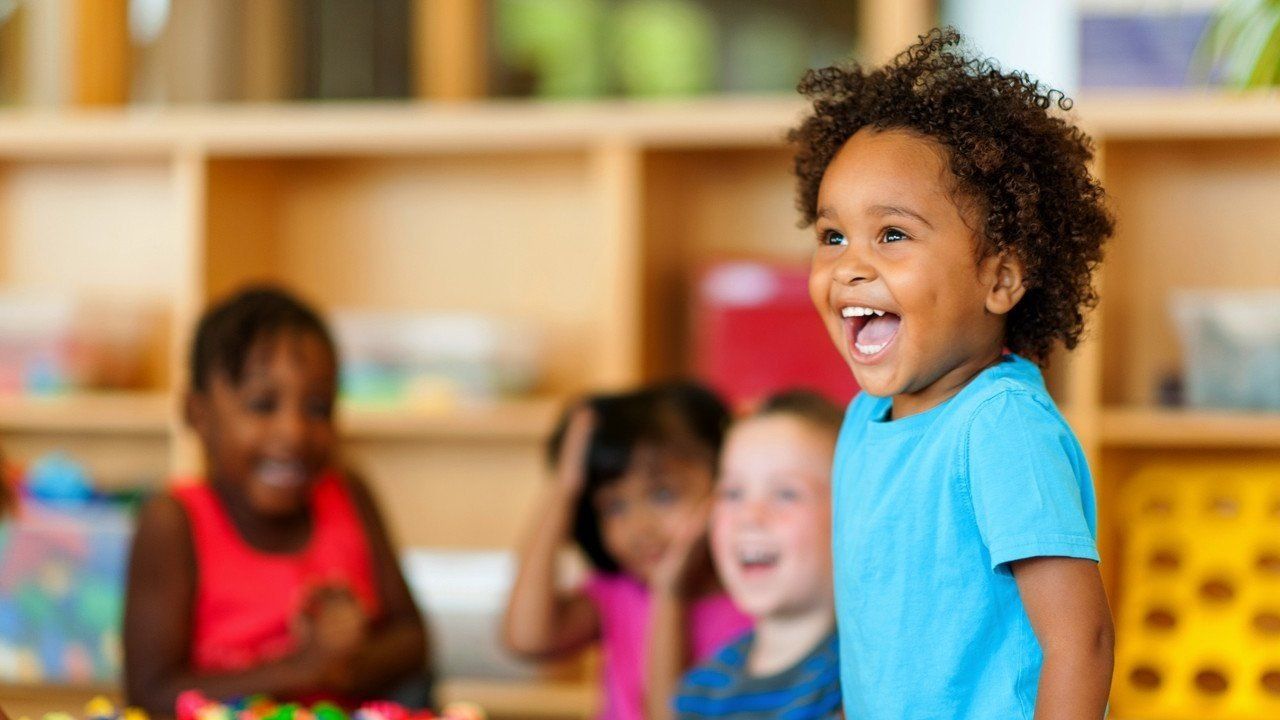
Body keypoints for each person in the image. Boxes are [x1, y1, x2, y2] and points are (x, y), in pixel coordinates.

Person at [795, 27, 1116, 719]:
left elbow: (1080, 641)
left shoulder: (1000, 426)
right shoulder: (864, 420)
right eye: (832, 236)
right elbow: (885, 638)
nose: (850, 264)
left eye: (893, 235)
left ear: (1000, 278)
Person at [124, 286, 429, 715]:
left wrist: (347, 661)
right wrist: (302, 669)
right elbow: (152, 690)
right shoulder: (172, 522)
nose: (294, 433)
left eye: (318, 407)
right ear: (198, 415)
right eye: (263, 404)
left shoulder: (349, 496)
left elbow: (413, 639)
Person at [503, 382, 750, 720]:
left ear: (728, 479)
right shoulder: (615, 594)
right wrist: (564, 488)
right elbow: (526, 638)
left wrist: (670, 593)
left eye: (663, 495)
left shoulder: (758, 601)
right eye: (614, 506)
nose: (639, 528)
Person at [672, 391, 843, 720]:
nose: (749, 516)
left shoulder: (857, 680)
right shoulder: (700, 691)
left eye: (785, 493)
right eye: (733, 493)